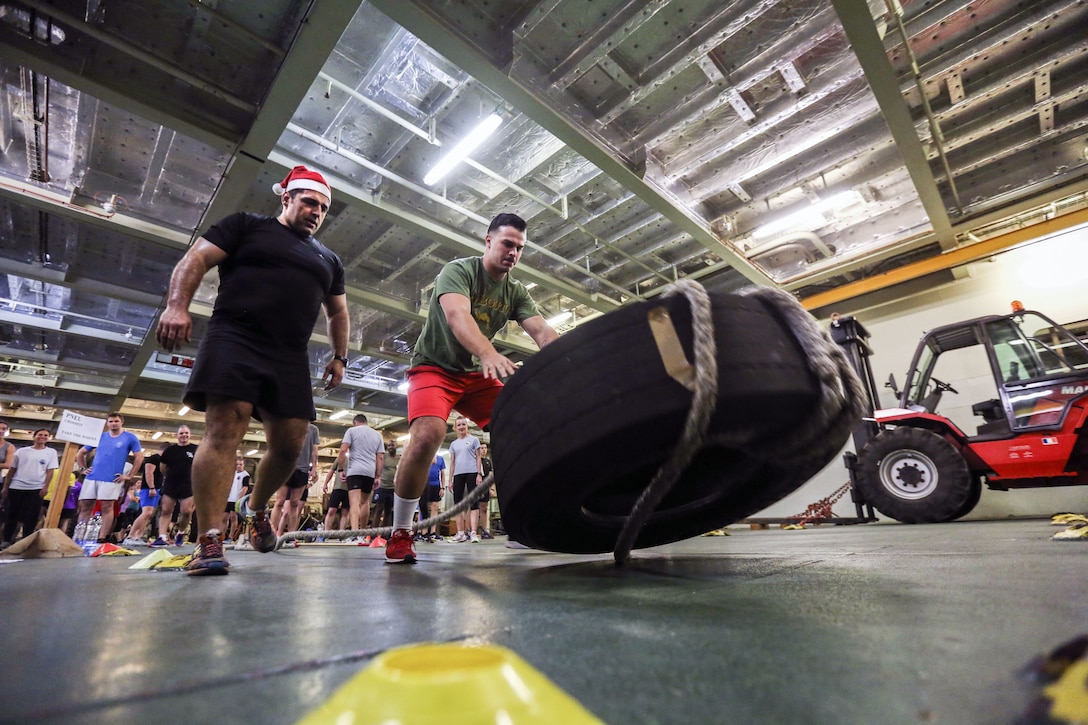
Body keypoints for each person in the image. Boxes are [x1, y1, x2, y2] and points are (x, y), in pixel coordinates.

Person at [156, 165, 348, 576]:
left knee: (289, 445)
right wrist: (177, 305)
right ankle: (209, 541)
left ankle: (256, 509)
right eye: (309, 202)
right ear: (287, 199)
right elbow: (196, 258)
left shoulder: (328, 259)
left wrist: (340, 355)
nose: (316, 211)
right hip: (235, 338)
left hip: (290, 354)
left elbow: (338, 311)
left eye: (323, 207)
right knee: (225, 429)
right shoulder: (246, 226)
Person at [387, 213, 558, 564]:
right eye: (507, 244)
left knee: (523, 429)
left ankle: (519, 524)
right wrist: (488, 353)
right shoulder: (458, 271)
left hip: (475, 377)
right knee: (428, 435)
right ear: (489, 241)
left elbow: (542, 332)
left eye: (520, 248)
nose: (513, 252)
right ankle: (401, 532)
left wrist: (572, 361)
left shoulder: (515, 291)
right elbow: (457, 316)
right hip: (434, 368)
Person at [76, 413, 143, 546]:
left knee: (107, 507)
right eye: (111, 421)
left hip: (111, 478)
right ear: (107, 423)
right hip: (93, 476)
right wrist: (83, 468)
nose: (113, 423)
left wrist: (130, 476)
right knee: (85, 506)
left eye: (116, 421)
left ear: (121, 422)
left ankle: (102, 537)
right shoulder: (100, 437)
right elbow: (81, 453)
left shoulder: (130, 437)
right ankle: (80, 535)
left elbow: (139, 457)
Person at [1, 429, 58, 546]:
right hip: (17, 486)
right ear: (34, 436)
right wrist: (6, 487)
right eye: (40, 435)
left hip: (36, 488)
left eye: (45, 435)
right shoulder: (22, 451)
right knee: (12, 514)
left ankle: (27, 541)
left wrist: (46, 486)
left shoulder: (51, 452)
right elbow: (12, 470)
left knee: (32, 516)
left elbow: (50, 471)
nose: (42, 437)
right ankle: (6, 540)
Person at [337, 414, 384, 542]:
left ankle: (354, 534)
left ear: (355, 422)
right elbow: (380, 457)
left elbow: (343, 450)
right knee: (365, 502)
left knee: (354, 503)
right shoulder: (377, 435)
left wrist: (341, 469)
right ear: (366, 422)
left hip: (355, 471)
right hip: (369, 472)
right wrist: (378, 476)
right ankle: (363, 534)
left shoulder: (351, 431)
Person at [153, 426, 198, 547]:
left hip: (188, 485)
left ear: (190, 434)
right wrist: (169, 477)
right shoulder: (170, 450)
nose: (184, 435)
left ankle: (181, 532)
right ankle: (162, 537)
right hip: (171, 484)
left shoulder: (195, 449)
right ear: (177, 435)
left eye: (186, 433)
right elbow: (163, 467)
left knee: (187, 511)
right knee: (166, 510)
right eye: (181, 433)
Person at [273, 422, 319, 538]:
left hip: (302, 470)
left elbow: (315, 450)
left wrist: (314, 467)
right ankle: (272, 534)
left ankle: (291, 536)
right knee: (279, 501)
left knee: (295, 503)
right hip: (285, 468)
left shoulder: (313, 429)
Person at [448, 416, 482, 543]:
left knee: (473, 503)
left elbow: (478, 457)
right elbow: (452, 462)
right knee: (458, 505)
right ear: (455, 427)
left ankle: (473, 533)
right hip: (458, 475)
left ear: (467, 426)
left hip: (472, 473)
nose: (461, 427)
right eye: (459, 425)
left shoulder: (474, 440)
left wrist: (479, 474)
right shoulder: (453, 444)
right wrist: (450, 480)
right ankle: (460, 533)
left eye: (463, 424)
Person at [127, 442, 167, 546]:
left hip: (156, 489)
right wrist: (151, 487)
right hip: (148, 489)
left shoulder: (162, 461)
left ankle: (138, 537)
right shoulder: (154, 458)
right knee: (146, 513)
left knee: (148, 515)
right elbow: (149, 473)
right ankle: (130, 536)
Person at [369, 440, 398, 547]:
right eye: (389, 446)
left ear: (396, 447)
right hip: (382, 487)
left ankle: (386, 535)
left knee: (388, 512)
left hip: (392, 489)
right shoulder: (384, 457)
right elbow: (377, 466)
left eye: (392, 445)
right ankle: (373, 534)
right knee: (378, 509)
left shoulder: (398, 458)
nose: (390, 447)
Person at [420, 454, 447, 542]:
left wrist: (442, 487)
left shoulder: (440, 459)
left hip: (436, 485)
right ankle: (423, 532)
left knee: (435, 507)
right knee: (423, 507)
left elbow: (443, 474)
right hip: (424, 485)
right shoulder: (424, 456)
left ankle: (433, 532)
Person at [224, 458, 250, 542]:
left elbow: (245, 488)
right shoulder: (232, 473)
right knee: (224, 518)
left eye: (240, 464)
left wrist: (240, 499)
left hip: (236, 499)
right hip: (229, 498)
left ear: (243, 465)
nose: (238, 466)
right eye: (237, 464)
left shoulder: (245, 475)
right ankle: (222, 535)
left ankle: (230, 537)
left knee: (233, 517)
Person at [322, 462, 349, 534]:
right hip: (337, 488)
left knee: (345, 512)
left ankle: (341, 534)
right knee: (331, 510)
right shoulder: (340, 459)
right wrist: (325, 483)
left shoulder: (356, 458)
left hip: (350, 489)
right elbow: (331, 471)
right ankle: (326, 533)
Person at [477, 442, 495, 539]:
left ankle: (484, 531)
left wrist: (491, 488)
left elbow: (491, 476)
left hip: (485, 488)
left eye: (485, 448)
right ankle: (470, 531)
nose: (483, 450)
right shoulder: (475, 461)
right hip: (475, 488)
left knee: (483, 509)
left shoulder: (488, 462)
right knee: (473, 509)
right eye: (481, 448)